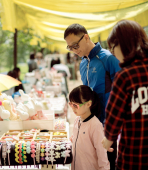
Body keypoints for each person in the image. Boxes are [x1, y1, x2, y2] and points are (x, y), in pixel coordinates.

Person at [64, 23, 121, 170]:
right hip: (90, 125)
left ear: (86, 37)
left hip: (108, 127)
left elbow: (123, 93)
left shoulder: (108, 59)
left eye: (75, 45)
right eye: (70, 47)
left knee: (107, 164)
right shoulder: (83, 64)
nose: (73, 50)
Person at [102, 20, 148, 170]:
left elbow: (113, 116)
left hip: (134, 157)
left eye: (112, 48)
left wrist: (108, 139)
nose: (113, 53)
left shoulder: (126, 76)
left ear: (122, 44)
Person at [69, 85, 110, 170]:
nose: (72, 108)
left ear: (88, 104)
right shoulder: (77, 120)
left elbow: (102, 155)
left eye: (75, 105)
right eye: (71, 104)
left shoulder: (95, 125)